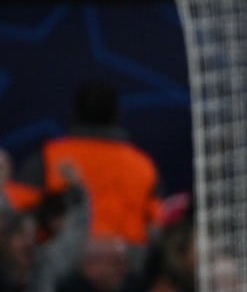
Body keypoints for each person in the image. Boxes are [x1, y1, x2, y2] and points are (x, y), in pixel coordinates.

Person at [9, 80, 163, 267]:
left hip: (63, 267)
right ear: (116, 115)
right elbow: (157, 227)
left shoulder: (49, 158)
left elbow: (12, 212)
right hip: (124, 270)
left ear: (75, 113)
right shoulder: (143, 165)